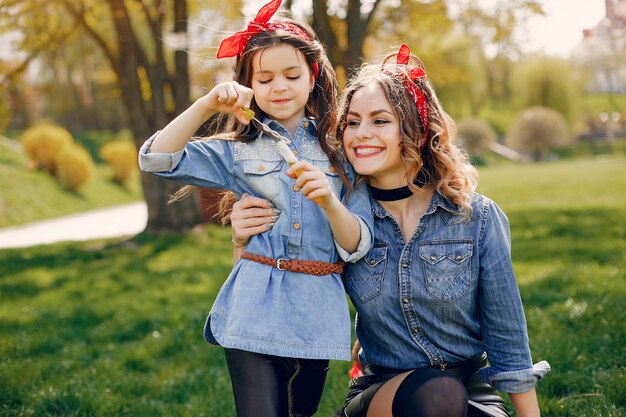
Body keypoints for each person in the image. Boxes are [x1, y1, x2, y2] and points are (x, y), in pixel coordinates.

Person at [230, 44, 550, 417]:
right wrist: (242, 241)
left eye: (380, 121)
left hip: (471, 390)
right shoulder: (335, 214)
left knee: (449, 396)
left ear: (413, 129)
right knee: (437, 394)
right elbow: (262, 294)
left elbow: (507, 337)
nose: (361, 134)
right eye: (351, 122)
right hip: (381, 393)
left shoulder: (476, 219)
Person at [137, 1, 373, 416]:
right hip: (253, 306)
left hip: (315, 311)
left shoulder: (343, 148)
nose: (279, 86)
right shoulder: (240, 151)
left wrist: (329, 202)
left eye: (291, 74)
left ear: (313, 75)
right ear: (248, 85)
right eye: (263, 79)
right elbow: (156, 159)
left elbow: (358, 244)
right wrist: (207, 105)